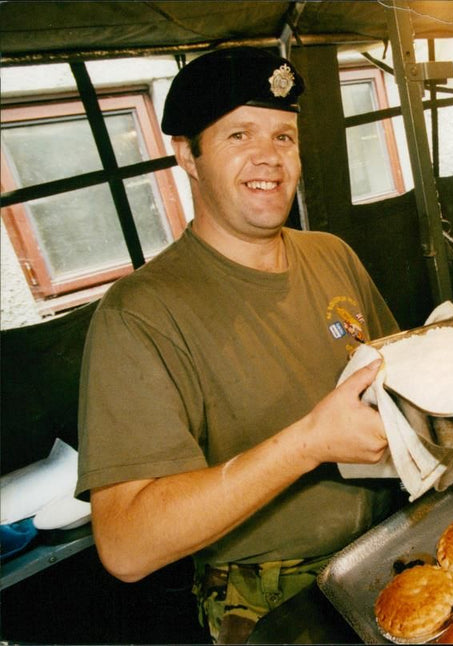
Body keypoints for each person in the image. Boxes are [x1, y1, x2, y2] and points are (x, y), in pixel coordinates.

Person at [76, 47, 401, 644]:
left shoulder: (331, 254)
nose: (269, 159)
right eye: (239, 135)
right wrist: (307, 444)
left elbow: (399, 380)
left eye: (284, 136)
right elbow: (125, 546)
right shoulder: (140, 315)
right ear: (188, 157)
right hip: (279, 603)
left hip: (394, 545)